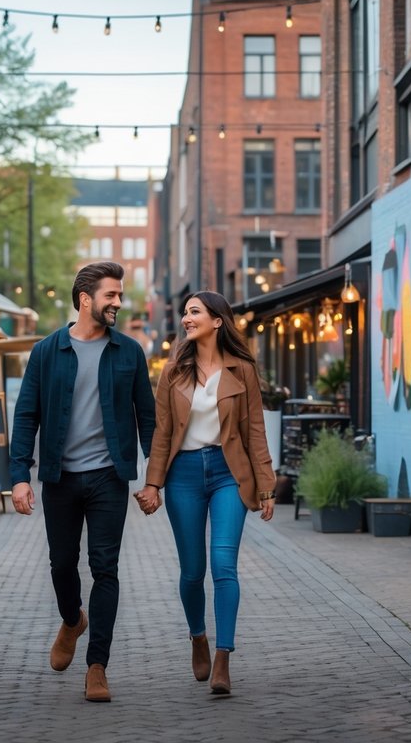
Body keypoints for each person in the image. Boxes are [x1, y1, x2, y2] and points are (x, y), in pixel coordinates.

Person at [9, 261, 156, 703]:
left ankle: (97, 666)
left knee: (105, 569)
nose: (118, 301)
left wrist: (156, 479)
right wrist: (20, 477)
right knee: (60, 565)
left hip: (109, 477)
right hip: (60, 477)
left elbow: (148, 420)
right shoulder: (46, 351)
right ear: (85, 298)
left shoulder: (129, 352)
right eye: (111, 294)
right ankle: (73, 620)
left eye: (120, 294)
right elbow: (25, 417)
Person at [134, 291, 276, 697]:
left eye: (194, 312)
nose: (185, 319)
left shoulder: (242, 369)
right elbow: (162, 434)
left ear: (218, 321)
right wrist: (152, 483)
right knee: (193, 570)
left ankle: (223, 658)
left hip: (229, 472)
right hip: (183, 476)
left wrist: (265, 485)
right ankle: (198, 635)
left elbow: (254, 432)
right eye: (184, 313)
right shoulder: (173, 371)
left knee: (223, 564)